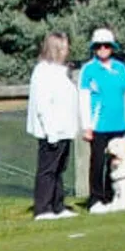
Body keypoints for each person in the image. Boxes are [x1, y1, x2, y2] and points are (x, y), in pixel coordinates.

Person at [76, 26, 125, 213]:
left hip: (119, 124)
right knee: (98, 162)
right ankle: (95, 199)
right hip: (98, 125)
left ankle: (112, 197)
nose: (103, 49)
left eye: (107, 46)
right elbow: (84, 99)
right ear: (94, 48)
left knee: (117, 163)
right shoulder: (88, 70)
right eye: (99, 46)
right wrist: (86, 126)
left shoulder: (120, 68)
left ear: (112, 47)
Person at [25, 32, 80, 219]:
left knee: (59, 169)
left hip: (65, 128)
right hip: (51, 130)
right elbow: (43, 105)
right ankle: (43, 208)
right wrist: (51, 131)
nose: (67, 51)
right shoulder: (43, 71)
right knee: (47, 170)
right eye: (64, 47)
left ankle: (58, 205)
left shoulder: (60, 71)